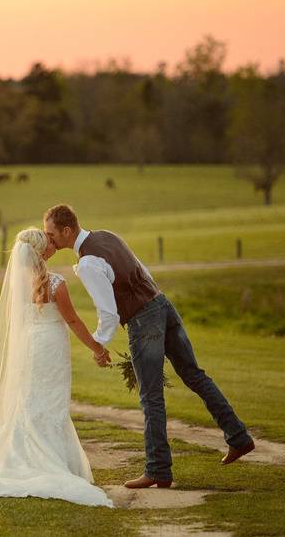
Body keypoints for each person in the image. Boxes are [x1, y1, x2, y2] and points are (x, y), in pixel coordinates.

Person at [43, 204, 255, 489]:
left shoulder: (90, 262)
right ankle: (239, 437)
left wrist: (99, 346)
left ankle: (158, 469)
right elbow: (142, 270)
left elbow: (108, 313)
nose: (49, 239)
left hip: (144, 322)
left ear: (66, 231)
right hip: (163, 305)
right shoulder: (108, 236)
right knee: (194, 375)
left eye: (51, 233)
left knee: (151, 396)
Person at [0, 228, 114, 507]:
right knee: (52, 402)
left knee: (29, 400)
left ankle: (19, 457)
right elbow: (73, 322)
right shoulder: (56, 284)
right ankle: (52, 463)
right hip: (51, 348)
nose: (53, 244)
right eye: (49, 243)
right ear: (43, 252)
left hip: (29, 346)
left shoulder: (17, 285)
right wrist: (98, 349)